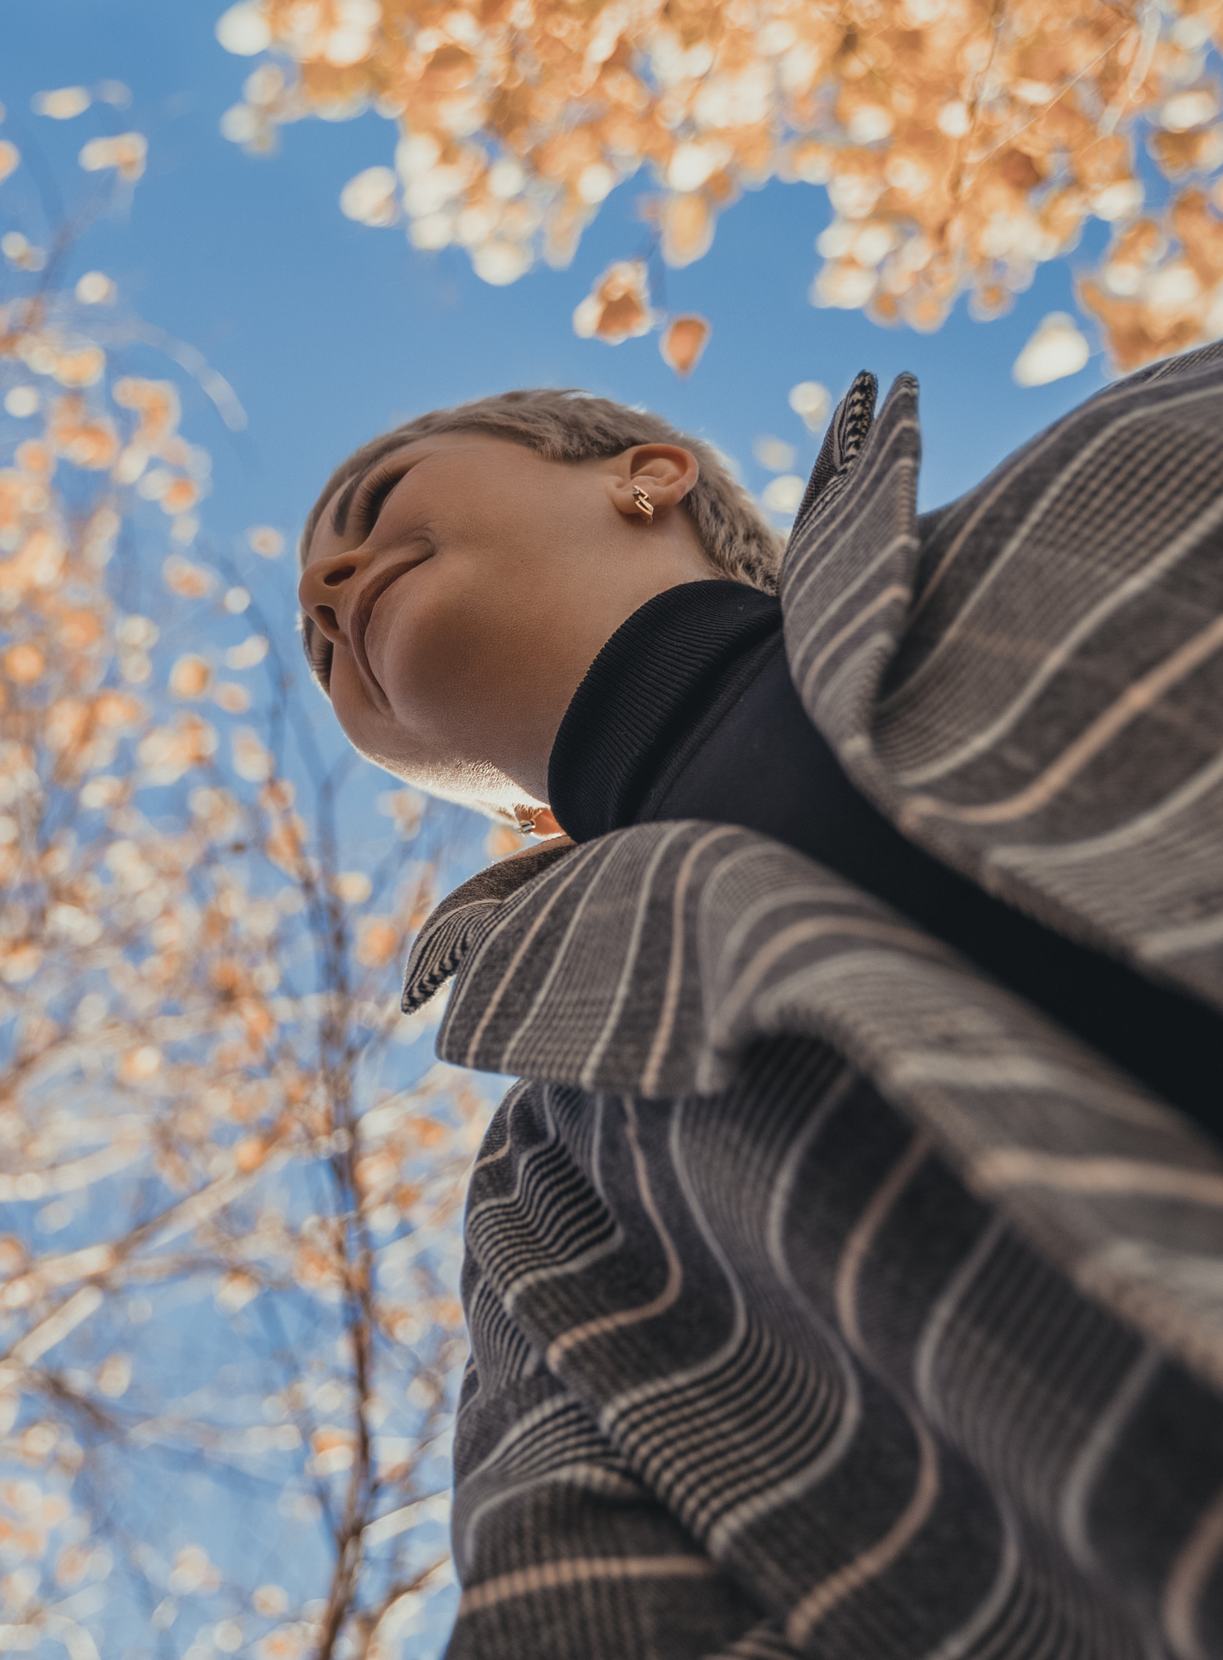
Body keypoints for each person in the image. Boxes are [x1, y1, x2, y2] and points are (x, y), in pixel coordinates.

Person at [296, 364, 1223, 1655]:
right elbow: (568, 1571)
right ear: (505, 818)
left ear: (647, 473)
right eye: (311, 628)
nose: (330, 591)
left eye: (376, 499)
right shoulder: (554, 1159)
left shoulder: (1106, 477)